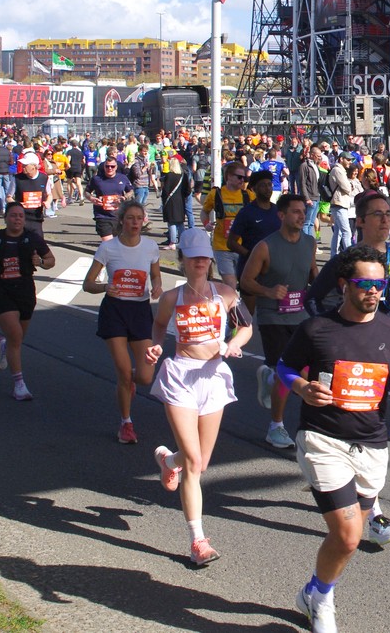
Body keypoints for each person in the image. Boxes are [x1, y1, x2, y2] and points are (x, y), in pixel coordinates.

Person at [280, 244, 390, 633]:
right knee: (346, 537)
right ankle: (323, 602)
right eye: (364, 284)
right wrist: (302, 388)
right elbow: (285, 367)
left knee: (353, 535)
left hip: (371, 443)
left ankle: (313, 591)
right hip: (322, 438)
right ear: (344, 285)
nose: (373, 292)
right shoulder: (317, 329)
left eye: (380, 285)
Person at [148, 227, 253, 567]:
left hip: (213, 378)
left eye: (205, 258)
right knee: (194, 461)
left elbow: (246, 326)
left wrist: (233, 344)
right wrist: (155, 347)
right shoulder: (172, 298)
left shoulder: (225, 294)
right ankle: (198, 541)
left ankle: (169, 462)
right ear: (182, 260)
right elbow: (159, 327)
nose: (200, 263)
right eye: (193, 258)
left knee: (200, 462)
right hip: (181, 376)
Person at [239, 194, 318, 450]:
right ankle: (276, 427)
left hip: (300, 315)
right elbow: (246, 281)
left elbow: (312, 273)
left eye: (303, 212)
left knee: (306, 371)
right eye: (295, 212)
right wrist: (269, 291)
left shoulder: (310, 242)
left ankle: (270, 376)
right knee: (288, 371)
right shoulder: (265, 246)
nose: (301, 216)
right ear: (281, 216)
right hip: (272, 316)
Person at [82, 200, 164, 444]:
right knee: (124, 373)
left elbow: (156, 275)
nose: (135, 222)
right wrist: (105, 287)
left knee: (145, 377)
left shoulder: (150, 247)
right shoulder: (108, 248)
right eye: (130, 218)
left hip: (140, 311)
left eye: (139, 218)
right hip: (115, 311)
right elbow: (88, 284)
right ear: (121, 220)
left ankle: (130, 381)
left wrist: (157, 286)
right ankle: (126, 424)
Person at [0, 203, 55, 400]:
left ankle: (4, 345)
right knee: (16, 336)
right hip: (2, 289)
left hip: (25, 289)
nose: (17, 219)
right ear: (6, 218)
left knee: (16, 339)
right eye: (13, 215)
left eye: (20, 216)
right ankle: (19, 384)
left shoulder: (32, 238)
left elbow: (51, 260)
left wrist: (41, 263)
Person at [227, 170, 284, 310]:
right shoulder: (246, 213)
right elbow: (231, 242)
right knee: (249, 314)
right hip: (250, 272)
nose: (267, 188)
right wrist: (251, 256)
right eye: (263, 185)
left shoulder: (278, 211)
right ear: (254, 189)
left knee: (274, 312)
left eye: (269, 185)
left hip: (274, 271)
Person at [202, 161, 249, 284]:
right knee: (230, 284)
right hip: (222, 247)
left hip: (243, 247)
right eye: (239, 177)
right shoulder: (216, 194)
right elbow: (204, 211)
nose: (242, 180)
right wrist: (206, 224)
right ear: (229, 176)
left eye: (244, 178)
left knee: (245, 284)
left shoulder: (248, 195)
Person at [86, 156, 134, 242]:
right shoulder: (97, 179)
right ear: (104, 166)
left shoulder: (122, 178)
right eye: (107, 166)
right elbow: (86, 192)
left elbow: (131, 191)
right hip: (102, 216)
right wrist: (91, 198)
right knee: (109, 243)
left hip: (119, 216)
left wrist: (124, 197)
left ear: (116, 167)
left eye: (112, 166)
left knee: (119, 244)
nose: (110, 168)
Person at [8, 152, 51, 237]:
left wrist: (48, 202)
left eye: (25, 165)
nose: (22, 167)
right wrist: (16, 205)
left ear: (34, 166)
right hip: (21, 218)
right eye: (23, 165)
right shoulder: (17, 178)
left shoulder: (44, 178)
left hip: (36, 218)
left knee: (38, 242)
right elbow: (8, 197)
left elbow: (49, 194)